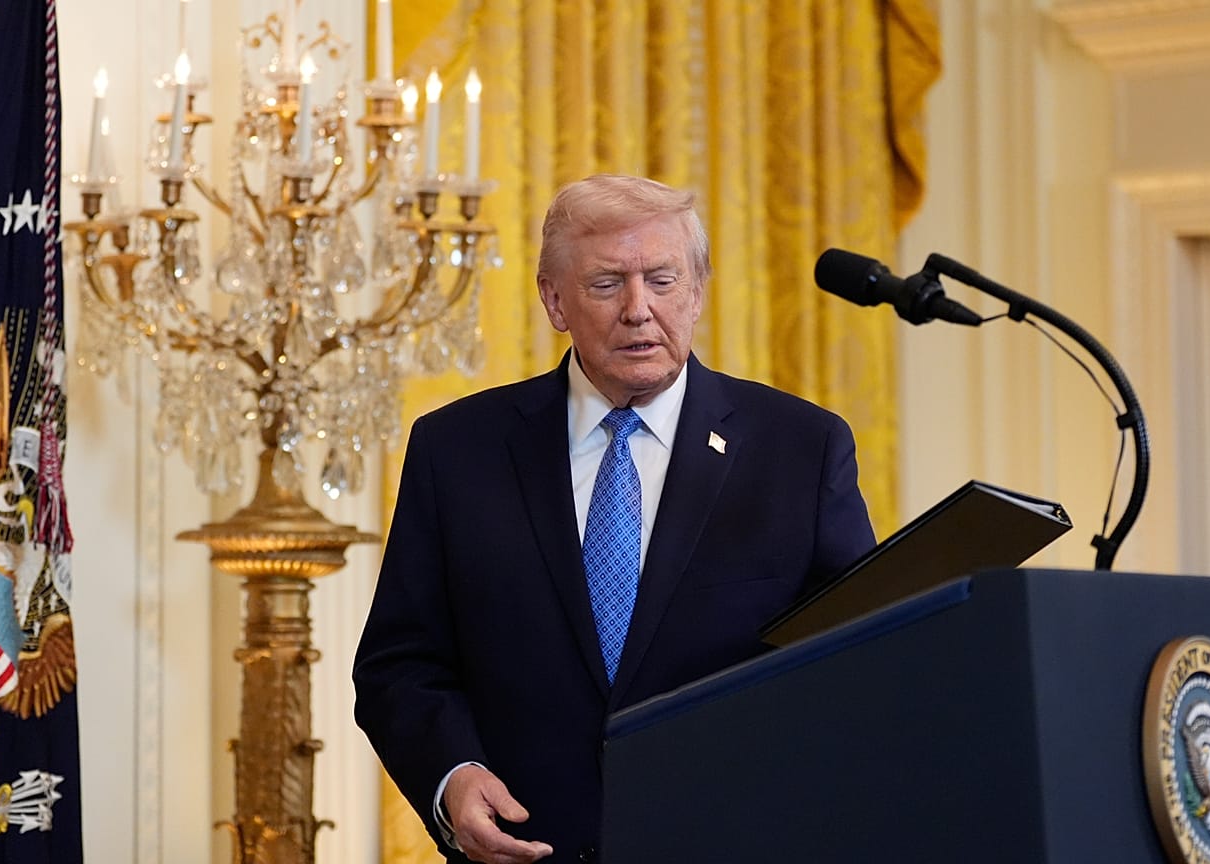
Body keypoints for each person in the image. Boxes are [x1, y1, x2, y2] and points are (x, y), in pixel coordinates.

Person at [353, 174, 876, 864]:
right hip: (527, 848)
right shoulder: (457, 451)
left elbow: (859, 657)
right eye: (606, 285)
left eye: (662, 281)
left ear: (698, 292)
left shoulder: (800, 449)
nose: (639, 310)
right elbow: (400, 665)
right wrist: (451, 776)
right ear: (554, 299)